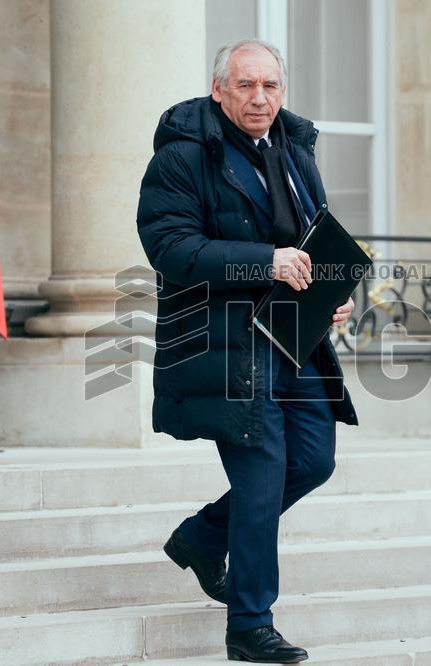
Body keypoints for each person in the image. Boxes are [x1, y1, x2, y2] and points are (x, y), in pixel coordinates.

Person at [135, 38, 360, 663]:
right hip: (223, 345)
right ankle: (250, 623)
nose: (260, 98)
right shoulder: (182, 157)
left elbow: (317, 239)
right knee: (261, 478)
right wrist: (267, 262)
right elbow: (172, 249)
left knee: (312, 461)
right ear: (219, 90)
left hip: (295, 339)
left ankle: (203, 537)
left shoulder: (295, 148)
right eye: (246, 86)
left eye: (271, 86)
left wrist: (333, 297)